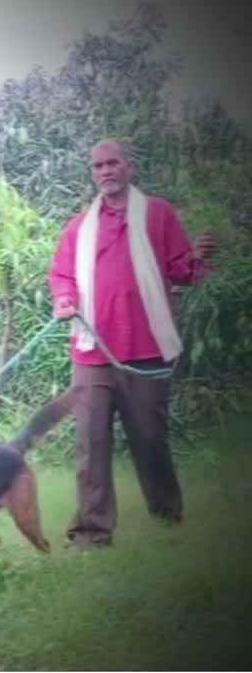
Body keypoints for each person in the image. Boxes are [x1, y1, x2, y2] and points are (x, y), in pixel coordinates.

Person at [46, 139, 217, 549]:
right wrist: (64, 300)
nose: (105, 171)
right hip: (91, 352)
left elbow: (180, 270)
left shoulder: (158, 213)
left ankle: (166, 515)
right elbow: (61, 276)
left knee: (150, 438)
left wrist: (198, 257)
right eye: (98, 166)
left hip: (146, 348)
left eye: (112, 163)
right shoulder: (78, 225)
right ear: (93, 173)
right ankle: (90, 534)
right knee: (91, 442)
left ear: (129, 167)